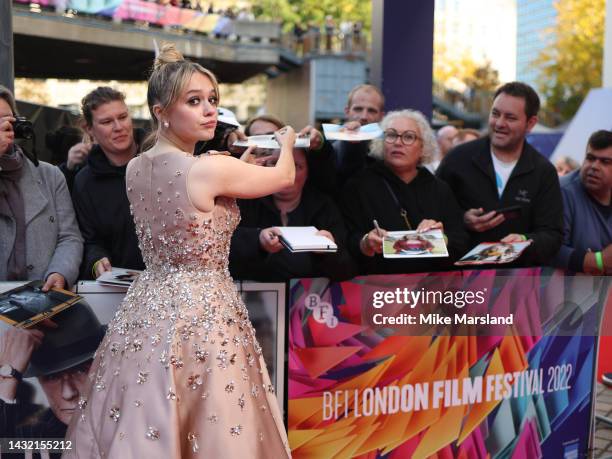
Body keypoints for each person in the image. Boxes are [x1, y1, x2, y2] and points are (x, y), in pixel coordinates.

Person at [63, 43, 294, 457]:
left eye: (212, 100)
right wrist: (288, 143)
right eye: (194, 101)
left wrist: (230, 169)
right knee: (215, 423)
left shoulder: (136, 166)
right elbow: (284, 177)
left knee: (142, 418)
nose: (209, 111)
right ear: (161, 111)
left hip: (146, 309)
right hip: (205, 312)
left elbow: (186, 203)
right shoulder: (208, 168)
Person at [437, 82, 563, 266]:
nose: (499, 123)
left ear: (531, 123)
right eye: (495, 114)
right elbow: (431, 214)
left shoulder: (543, 171)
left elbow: (552, 234)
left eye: (510, 118)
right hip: (461, 282)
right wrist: (462, 219)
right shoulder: (457, 159)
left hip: (517, 284)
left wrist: (524, 241)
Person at [342, 109, 469, 275]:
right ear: (381, 142)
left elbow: (461, 242)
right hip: (377, 290)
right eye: (391, 135)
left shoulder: (439, 189)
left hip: (431, 290)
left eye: (408, 137)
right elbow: (346, 240)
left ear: (423, 147)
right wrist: (365, 243)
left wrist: (441, 238)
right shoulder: (358, 185)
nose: (398, 142)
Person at [231, 146, 356, 281]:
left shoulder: (324, 206)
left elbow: (347, 269)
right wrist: (257, 239)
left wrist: (329, 251)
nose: (286, 172)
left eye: (296, 165)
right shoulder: (244, 200)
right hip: (253, 297)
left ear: (308, 171)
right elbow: (223, 251)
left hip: (310, 298)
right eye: (275, 163)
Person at [0, 85, 82, 290]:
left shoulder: (50, 176)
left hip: (42, 297)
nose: (5, 127)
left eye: (8, 119)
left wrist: (60, 273)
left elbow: (69, 237)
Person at [0, 303, 105, 448]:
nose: (68, 393)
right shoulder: (32, 439)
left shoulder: (136, 425)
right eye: (51, 377)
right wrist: (9, 375)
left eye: (81, 370)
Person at [72, 87, 146, 279]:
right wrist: (97, 260)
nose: (118, 127)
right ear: (89, 129)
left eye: (122, 117)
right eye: (106, 121)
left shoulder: (161, 158)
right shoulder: (85, 182)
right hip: (119, 289)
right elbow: (90, 240)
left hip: (175, 284)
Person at [553, 130, 612, 274]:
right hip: (564, 291)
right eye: (590, 158)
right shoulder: (561, 190)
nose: (594, 166)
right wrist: (598, 260)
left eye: (605, 162)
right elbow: (549, 248)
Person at [333, 84, 385, 187]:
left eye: (371, 111)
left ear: (381, 116)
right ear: (347, 112)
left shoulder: (389, 150)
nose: (364, 116)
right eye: (358, 109)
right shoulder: (328, 149)